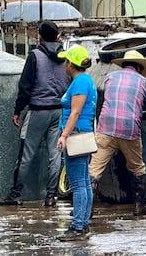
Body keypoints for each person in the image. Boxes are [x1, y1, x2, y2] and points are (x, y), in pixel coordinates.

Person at [88, 50, 146, 217]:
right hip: (129, 129)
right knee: (137, 167)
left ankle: (87, 208)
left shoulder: (110, 78)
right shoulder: (143, 82)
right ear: (139, 67)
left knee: (94, 169)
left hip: (106, 127)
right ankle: (138, 206)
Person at [0, 21, 68, 207]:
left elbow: (25, 86)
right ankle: (51, 196)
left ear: (40, 36)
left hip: (37, 111)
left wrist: (17, 110)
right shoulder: (65, 56)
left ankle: (15, 194)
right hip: (58, 111)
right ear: (57, 36)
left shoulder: (35, 56)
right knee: (55, 155)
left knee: (26, 155)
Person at [56, 44, 97, 241]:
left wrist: (64, 135)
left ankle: (78, 226)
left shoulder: (80, 82)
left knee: (78, 183)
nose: (64, 64)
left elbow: (75, 112)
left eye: (66, 61)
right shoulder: (86, 80)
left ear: (71, 64)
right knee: (84, 182)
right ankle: (83, 223)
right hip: (82, 133)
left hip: (76, 134)